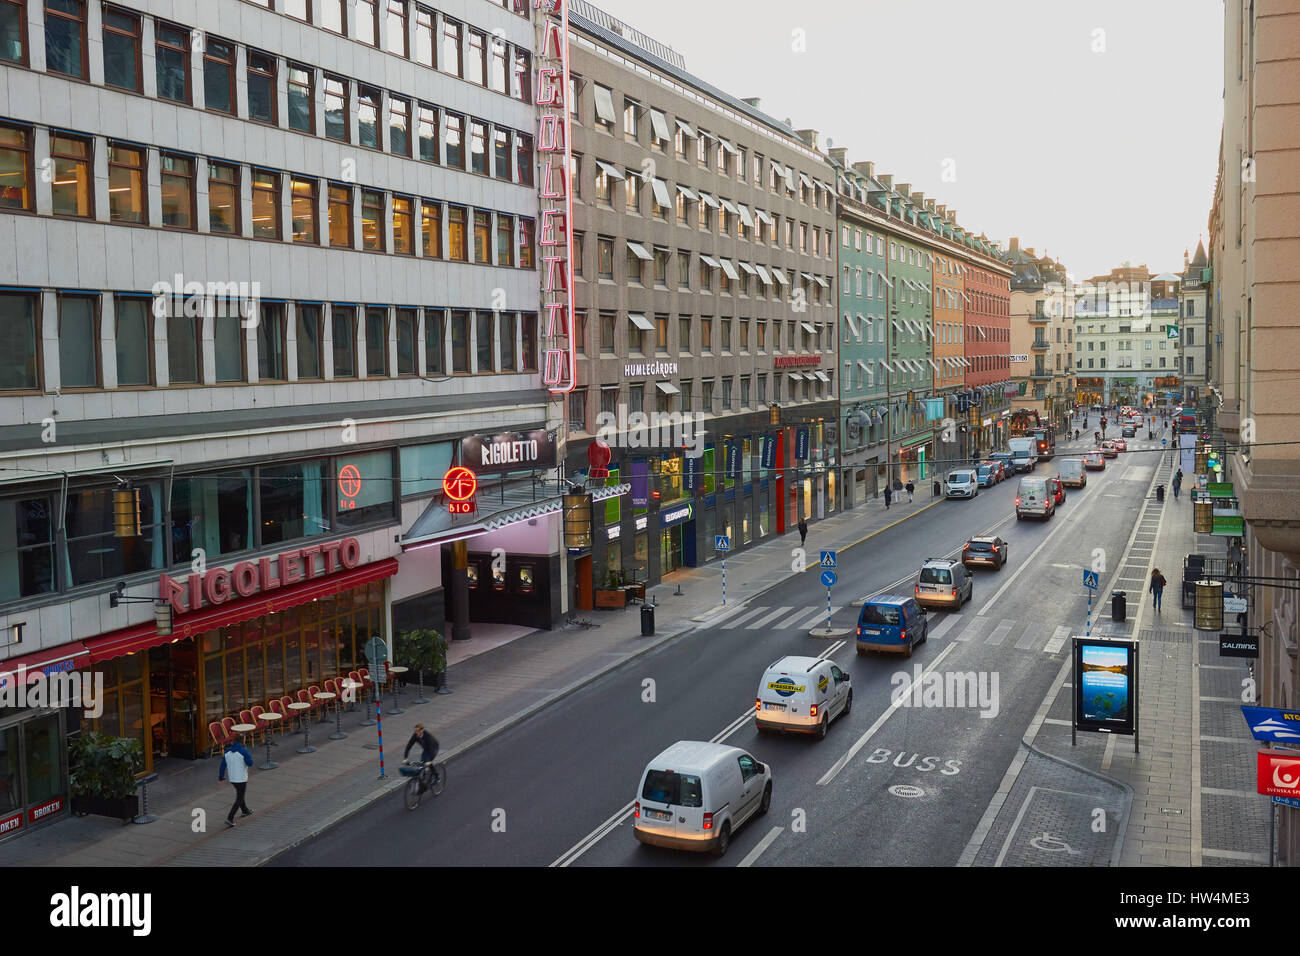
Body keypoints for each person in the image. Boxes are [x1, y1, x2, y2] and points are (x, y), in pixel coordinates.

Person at [219, 738, 255, 828]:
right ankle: (230, 818)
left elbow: (222, 765)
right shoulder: (243, 751)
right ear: (242, 741)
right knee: (239, 798)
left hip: (232, 779)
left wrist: (221, 777)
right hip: (241, 778)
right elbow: (250, 763)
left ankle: (245, 811)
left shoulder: (227, 752)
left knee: (240, 794)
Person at [404, 723, 440, 791]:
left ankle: (436, 776)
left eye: (417, 731)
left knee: (427, 762)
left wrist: (428, 762)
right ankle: (423, 777)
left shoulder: (427, 736)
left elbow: (431, 749)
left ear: (422, 730)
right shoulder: (415, 735)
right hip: (426, 749)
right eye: (415, 731)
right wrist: (405, 758)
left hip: (433, 748)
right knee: (422, 762)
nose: (416, 733)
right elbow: (408, 746)